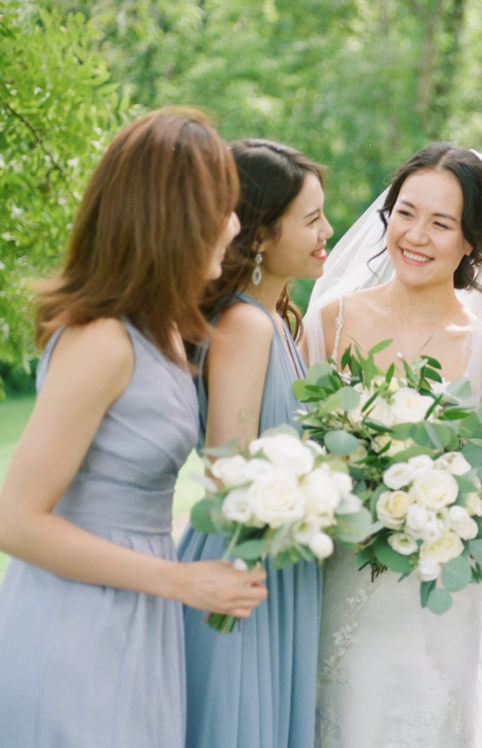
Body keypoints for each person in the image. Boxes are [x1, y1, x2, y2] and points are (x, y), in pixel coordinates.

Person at [0, 108, 266, 747]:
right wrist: (180, 580)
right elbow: (14, 520)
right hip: (79, 623)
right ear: (172, 219)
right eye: (221, 207)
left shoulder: (168, 330)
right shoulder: (102, 342)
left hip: (140, 612)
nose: (233, 224)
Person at [305, 142, 482, 747]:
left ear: (472, 243)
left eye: (442, 223)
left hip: (435, 598)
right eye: (406, 212)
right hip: (340, 573)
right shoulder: (332, 321)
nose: (417, 235)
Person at [177, 139, 334, 748]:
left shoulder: (278, 321)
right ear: (260, 236)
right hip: (240, 559)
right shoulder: (245, 324)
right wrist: (317, 492)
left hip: (280, 557)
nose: (328, 231)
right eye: (312, 219)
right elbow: (225, 467)